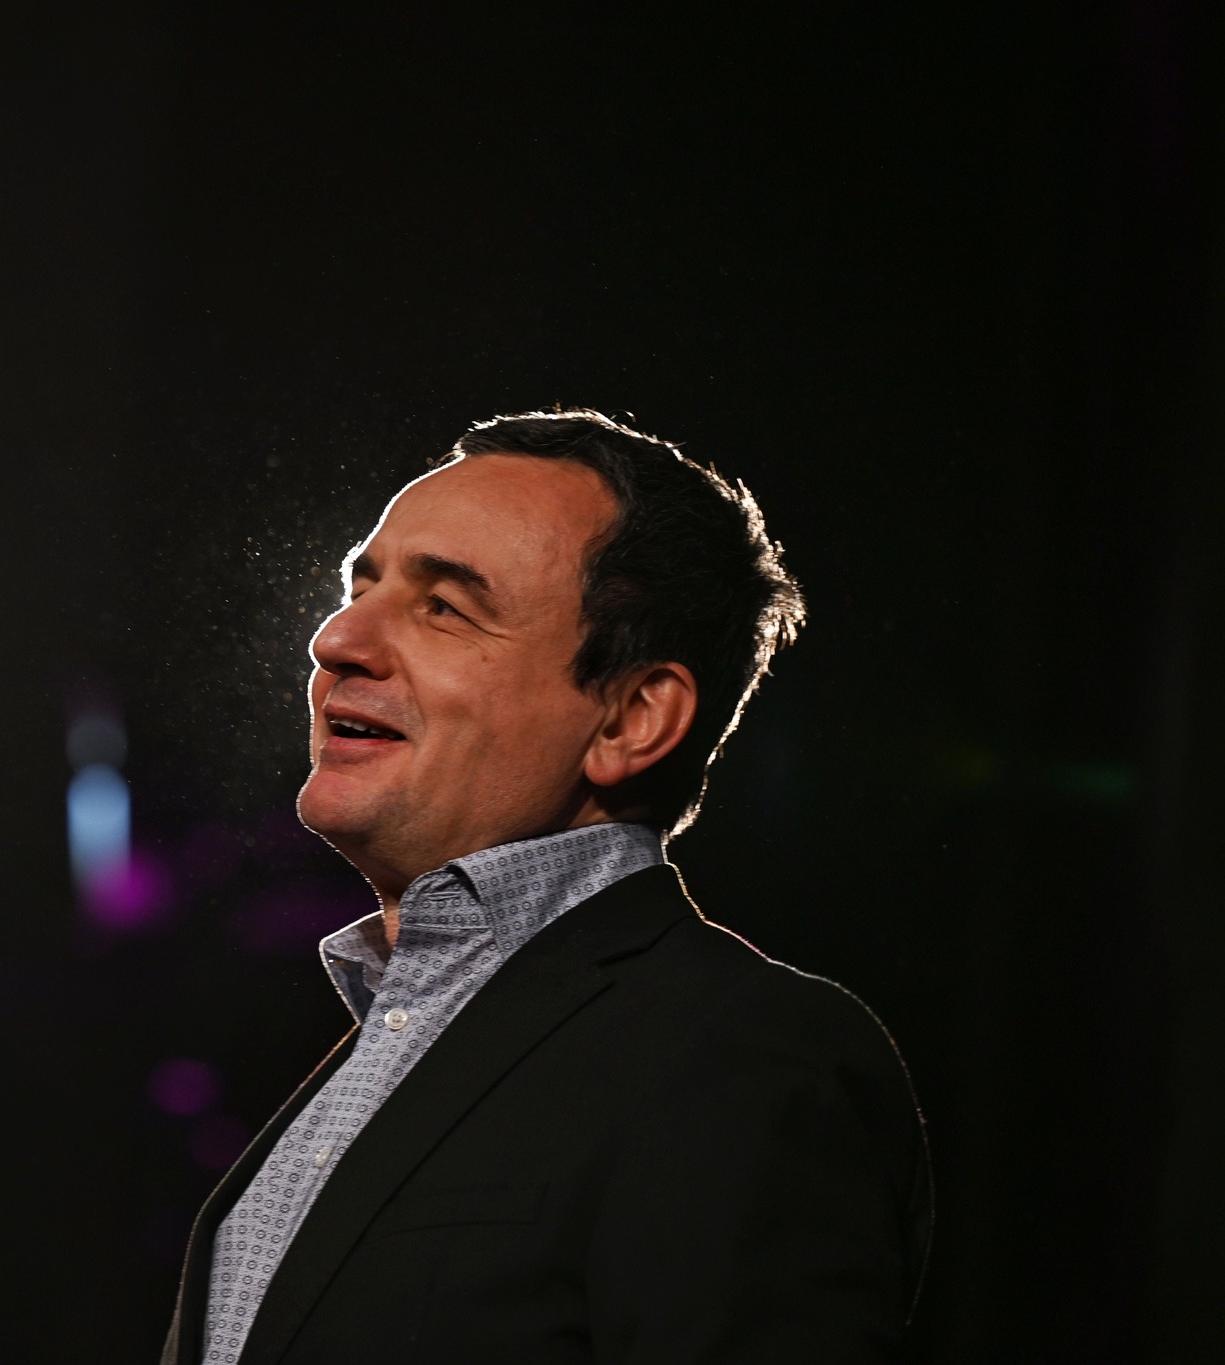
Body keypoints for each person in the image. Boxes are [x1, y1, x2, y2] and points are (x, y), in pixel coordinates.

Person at [161, 409, 932, 1364]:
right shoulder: (386, 1041)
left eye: (446, 606)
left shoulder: (744, 1055)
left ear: (631, 719)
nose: (337, 637)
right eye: (359, 587)